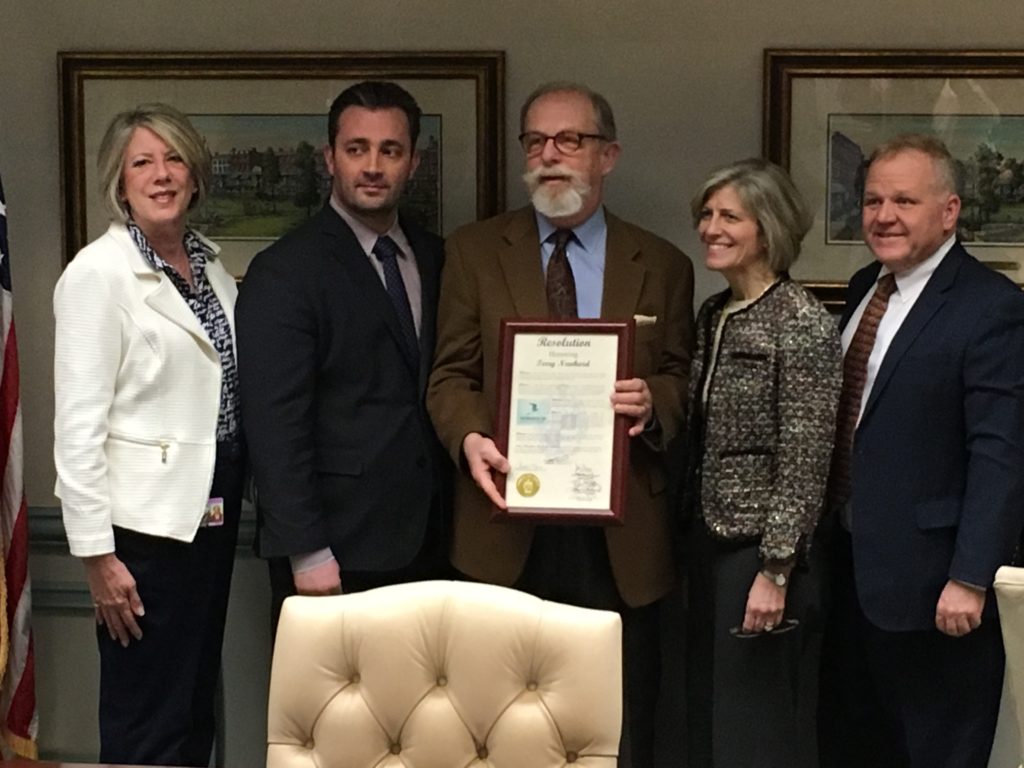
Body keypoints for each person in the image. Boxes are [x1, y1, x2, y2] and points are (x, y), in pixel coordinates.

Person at [426, 81, 694, 768]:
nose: (551, 155)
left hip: (621, 529)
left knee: (620, 723)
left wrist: (651, 401)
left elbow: (681, 379)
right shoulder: (475, 251)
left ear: (608, 155)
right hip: (505, 521)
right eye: (536, 141)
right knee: (500, 728)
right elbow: (450, 375)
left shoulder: (662, 263)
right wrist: (469, 438)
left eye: (569, 140)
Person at [818, 133, 1024, 767]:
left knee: (935, 749)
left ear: (950, 210)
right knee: (861, 744)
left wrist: (969, 576)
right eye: (874, 200)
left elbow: (1001, 451)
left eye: (905, 200)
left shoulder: (992, 308)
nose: (884, 216)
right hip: (851, 568)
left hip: (936, 585)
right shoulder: (863, 288)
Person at [53, 103, 243, 767]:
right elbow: (77, 429)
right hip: (141, 537)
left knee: (191, 704)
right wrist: (97, 559)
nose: (161, 175)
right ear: (119, 180)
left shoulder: (210, 268)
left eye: (174, 159)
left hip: (212, 515)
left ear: (195, 174)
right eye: (143, 162)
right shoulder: (96, 275)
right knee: (146, 718)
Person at [235, 81, 451, 632]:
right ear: (331, 158)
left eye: (391, 150)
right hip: (335, 553)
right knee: (336, 721)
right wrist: (306, 551)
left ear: (414, 162)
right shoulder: (284, 271)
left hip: (435, 545)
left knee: (427, 721)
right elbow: (273, 425)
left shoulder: (438, 257)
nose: (373, 166)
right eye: (357, 149)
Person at [683, 158, 840, 767]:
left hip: (760, 553)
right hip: (705, 540)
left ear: (767, 228)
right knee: (704, 712)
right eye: (706, 214)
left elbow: (807, 455)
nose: (710, 228)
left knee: (754, 725)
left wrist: (775, 570)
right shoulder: (713, 313)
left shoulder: (799, 320)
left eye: (729, 217)